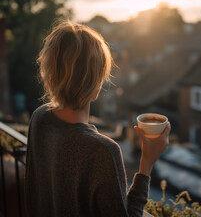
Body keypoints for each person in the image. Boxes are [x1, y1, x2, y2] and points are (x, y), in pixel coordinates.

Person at [25, 20, 170, 217]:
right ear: (98, 81)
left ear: (49, 72)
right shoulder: (102, 151)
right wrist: (147, 163)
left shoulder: (39, 118)